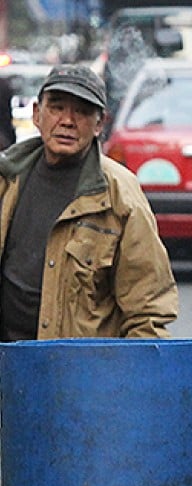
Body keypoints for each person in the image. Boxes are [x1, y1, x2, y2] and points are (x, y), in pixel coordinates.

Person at [0, 64, 178, 341]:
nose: (68, 121)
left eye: (82, 111)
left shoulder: (120, 193)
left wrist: (136, 376)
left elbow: (147, 310)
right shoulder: (7, 177)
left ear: (99, 124)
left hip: (80, 370)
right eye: (57, 108)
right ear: (37, 114)